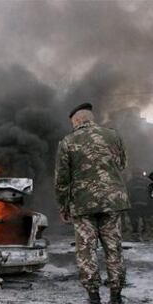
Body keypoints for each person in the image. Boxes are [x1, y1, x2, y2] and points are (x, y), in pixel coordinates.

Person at [55, 103, 130, 304]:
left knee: (86, 250)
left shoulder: (68, 142)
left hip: (83, 204)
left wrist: (63, 207)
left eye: (73, 122)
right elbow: (122, 164)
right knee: (114, 248)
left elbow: (62, 180)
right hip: (112, 202)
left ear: (78, 120)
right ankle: (116, 296)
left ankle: (94, 297)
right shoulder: (113, 135)